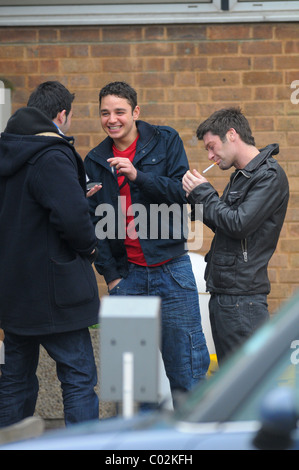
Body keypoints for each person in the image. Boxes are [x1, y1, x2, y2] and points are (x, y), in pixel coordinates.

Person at [84, 81, 210, 404]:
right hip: (128, 277)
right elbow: (94, 222)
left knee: (187, 377)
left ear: (135, 112)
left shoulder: (164, 140)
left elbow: (182, 194)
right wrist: (111, 276)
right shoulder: (95, 160)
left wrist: (138, 176)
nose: (112, 119)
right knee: (132, 387)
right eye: (105, 113)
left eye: (119, 112)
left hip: (172, 271)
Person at [0, 81, 100, 428]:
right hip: (57, 297)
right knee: (78, 378)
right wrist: (89, 248)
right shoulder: (52, 154)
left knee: (14, 381)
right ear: (61, 115)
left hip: (14, 293)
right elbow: (72, 219)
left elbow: (25, 212)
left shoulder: (7, 151)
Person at [182, 107, 289, 363]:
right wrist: (193, 201)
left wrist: (204, 193)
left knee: (246, 390)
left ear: (231, 134)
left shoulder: (269, 176)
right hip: (226, 297)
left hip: (243, 301)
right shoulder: (241, 177)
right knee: (231, 384)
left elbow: (239, 223)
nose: (210, 156)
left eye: (211, 146)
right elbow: (226, 227)